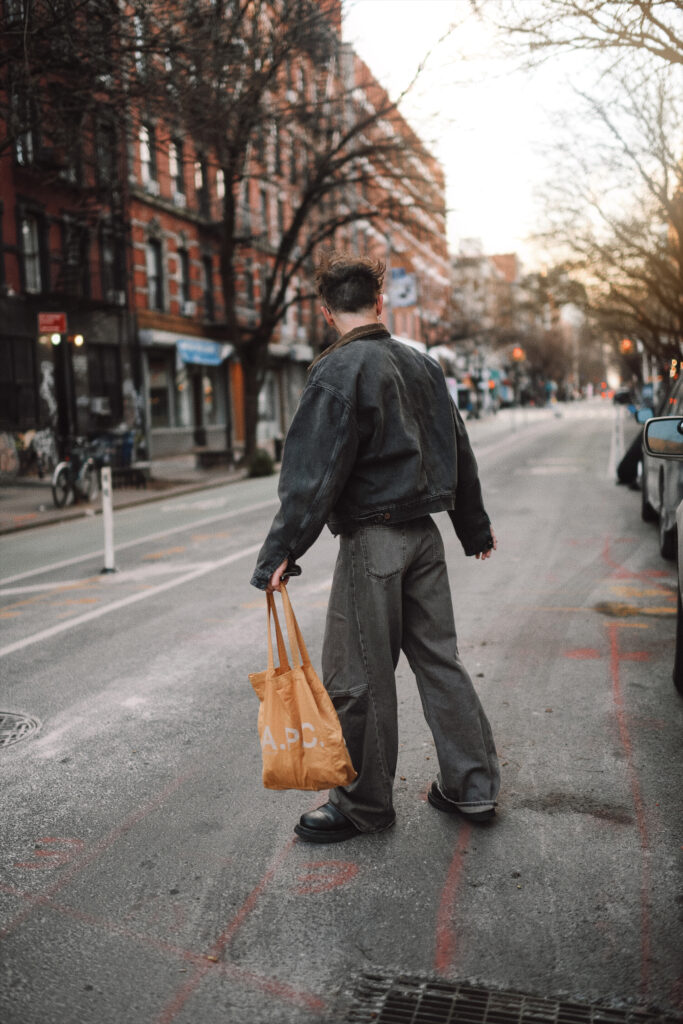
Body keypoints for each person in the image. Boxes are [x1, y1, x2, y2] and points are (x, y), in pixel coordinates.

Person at [250, 252, 500, 843]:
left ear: (326, 310)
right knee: (441, 662)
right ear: (380, 302)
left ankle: (363, 805)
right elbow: (457, 447)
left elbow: (314, 471)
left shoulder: (337, 371)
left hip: (374, 542)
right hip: (425, 539)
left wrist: (282, 550)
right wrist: (474, 527)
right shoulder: (422, 366)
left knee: (358, 676)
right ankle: (473, 788)